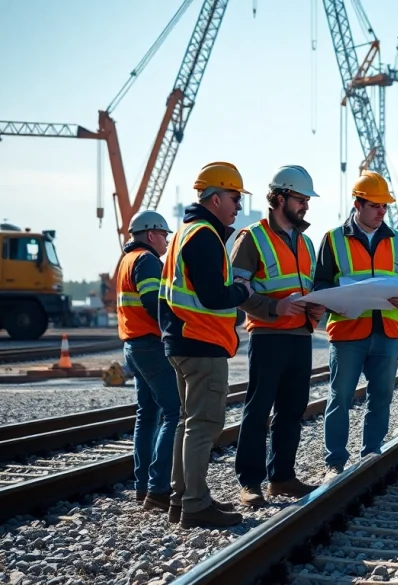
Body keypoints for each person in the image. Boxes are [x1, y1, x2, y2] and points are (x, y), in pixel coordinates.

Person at [312, 171, 398, 481]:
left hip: (387, 333)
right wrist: (335, 300)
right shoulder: (333, 239)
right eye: (375, 206)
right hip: (348, 332)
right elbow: (320, 282)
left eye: (385, 206)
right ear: (358, 205)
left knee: (382, 396)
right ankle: (334, 462)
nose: (381, 212)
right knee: (340, 397)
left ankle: (372, 454)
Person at [159, 161, 253, 528]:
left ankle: (182, 499)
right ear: (215, 199)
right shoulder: (204, 236)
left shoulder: (186, 232)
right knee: (204, 424)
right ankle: (195, 504)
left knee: (188, 422)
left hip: (183, 340)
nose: (238, 206)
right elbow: (214, 296)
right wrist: (242, 290)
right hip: (202, 341)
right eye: (234, 197)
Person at [231, 165, 325, 506]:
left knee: (292, 410)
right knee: (257, 410)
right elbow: (238, 291)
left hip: (300, 336)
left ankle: (282, 477)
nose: (306, 206)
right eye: (301, 199)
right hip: (268, 336)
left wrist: (316, 308)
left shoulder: (306, 243)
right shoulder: (251, 238)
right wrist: (274, 308)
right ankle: (250, 483)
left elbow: (307, 287)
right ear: (280, 198)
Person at [116, 210, 180, 512]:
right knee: (174, 412)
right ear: (152, 234)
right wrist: (179, 328)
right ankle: (158, 489)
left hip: (132, 345)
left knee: (148, 414)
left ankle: (143, 488)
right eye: (165, 235)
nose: (167, 241)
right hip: (151, 345)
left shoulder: (126, 260)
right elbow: (154, 301)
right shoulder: (147, 260)